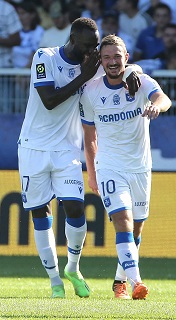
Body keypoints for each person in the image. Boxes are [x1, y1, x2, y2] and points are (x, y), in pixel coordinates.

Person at [80, 34, 171, 299]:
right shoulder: (91, 92)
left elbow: (164, 98)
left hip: (140, 167)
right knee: (123, 221)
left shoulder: (140, 81)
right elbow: (89, 137)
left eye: (117, 57)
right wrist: (93, 174)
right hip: (110, 166)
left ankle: (120, 279)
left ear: (126, 58)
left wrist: (156, 106)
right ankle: (136, 283)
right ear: (101, 60)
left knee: (137, 229)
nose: (112, 62)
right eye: (106, 57)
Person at [17, 17, 101, 299]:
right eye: (88, 46)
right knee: (40, 212)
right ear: (73, 40)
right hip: (33, 147)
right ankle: (54, 280)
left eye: (96, 45)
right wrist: (84, 77)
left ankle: (72, 268)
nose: (93, 51)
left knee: (76, 208)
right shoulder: (45, 56)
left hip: (67, 149)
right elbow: (49, 99)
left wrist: (131, 72)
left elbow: (117, 65)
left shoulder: (90, 64)